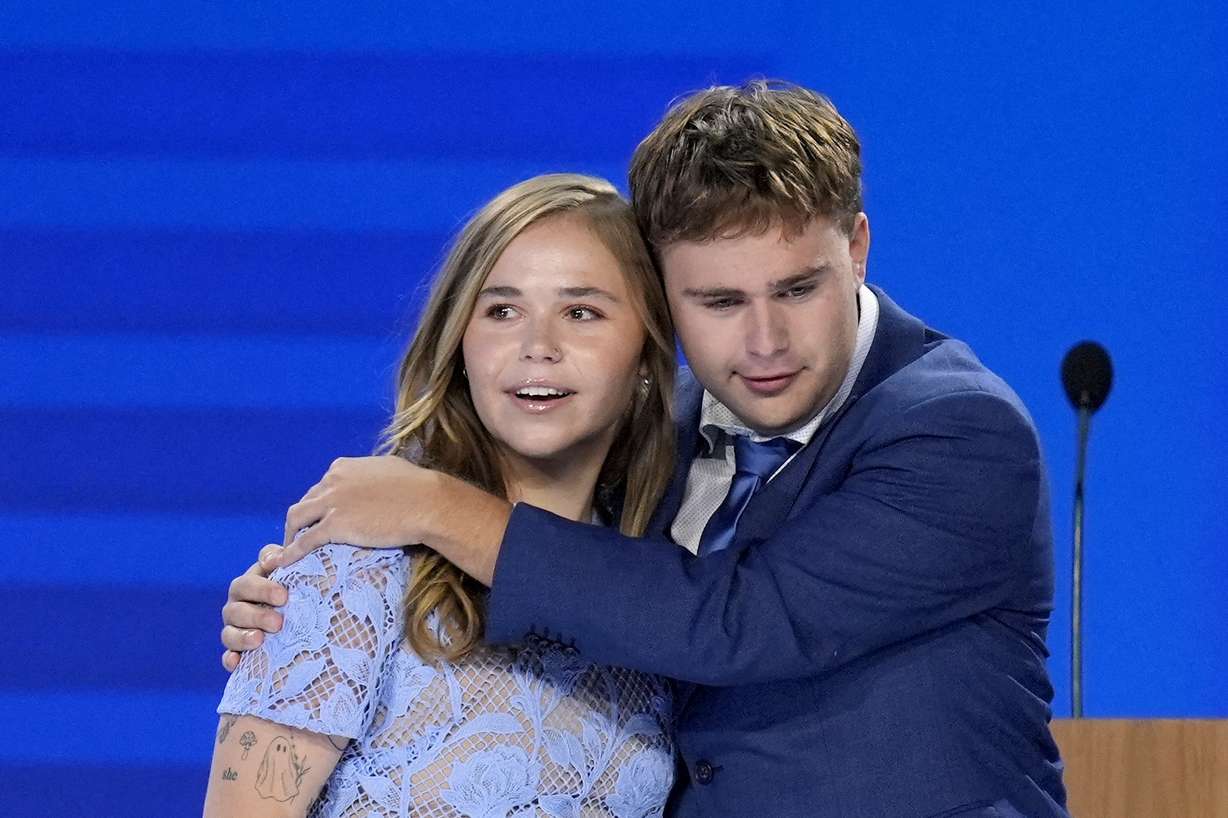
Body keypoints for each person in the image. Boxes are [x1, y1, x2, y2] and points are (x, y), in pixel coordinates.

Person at [222, 81, 1069, 817]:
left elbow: (735, 623)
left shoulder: (959, 430)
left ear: (855, 248)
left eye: (798, 289)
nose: (765, 340)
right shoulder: (655, 442)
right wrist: (303, 608)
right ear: (664, 303)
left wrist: (439, 507)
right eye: (719, 301)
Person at [204, 174, 680, 818]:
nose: (538, 347)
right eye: (502, 310)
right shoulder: (357, 562)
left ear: (647, 355)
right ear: (460, 346)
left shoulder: (660, 597)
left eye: (581, 312)